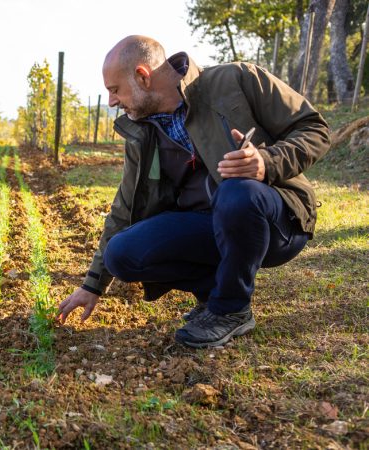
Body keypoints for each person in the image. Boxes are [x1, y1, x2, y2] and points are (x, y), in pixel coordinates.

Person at [56, 35, 330, 348]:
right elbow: (125, 206)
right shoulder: (143, 132)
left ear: (143, 77)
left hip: (275, 221)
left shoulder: (236, 80)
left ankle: (231, 309)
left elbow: (315, 129)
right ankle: (214, 296)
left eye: (115, 90)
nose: (112, 102)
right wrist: (93, 284)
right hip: (210, 225)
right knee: (122, 254)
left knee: (236, 191)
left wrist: (266, 162)